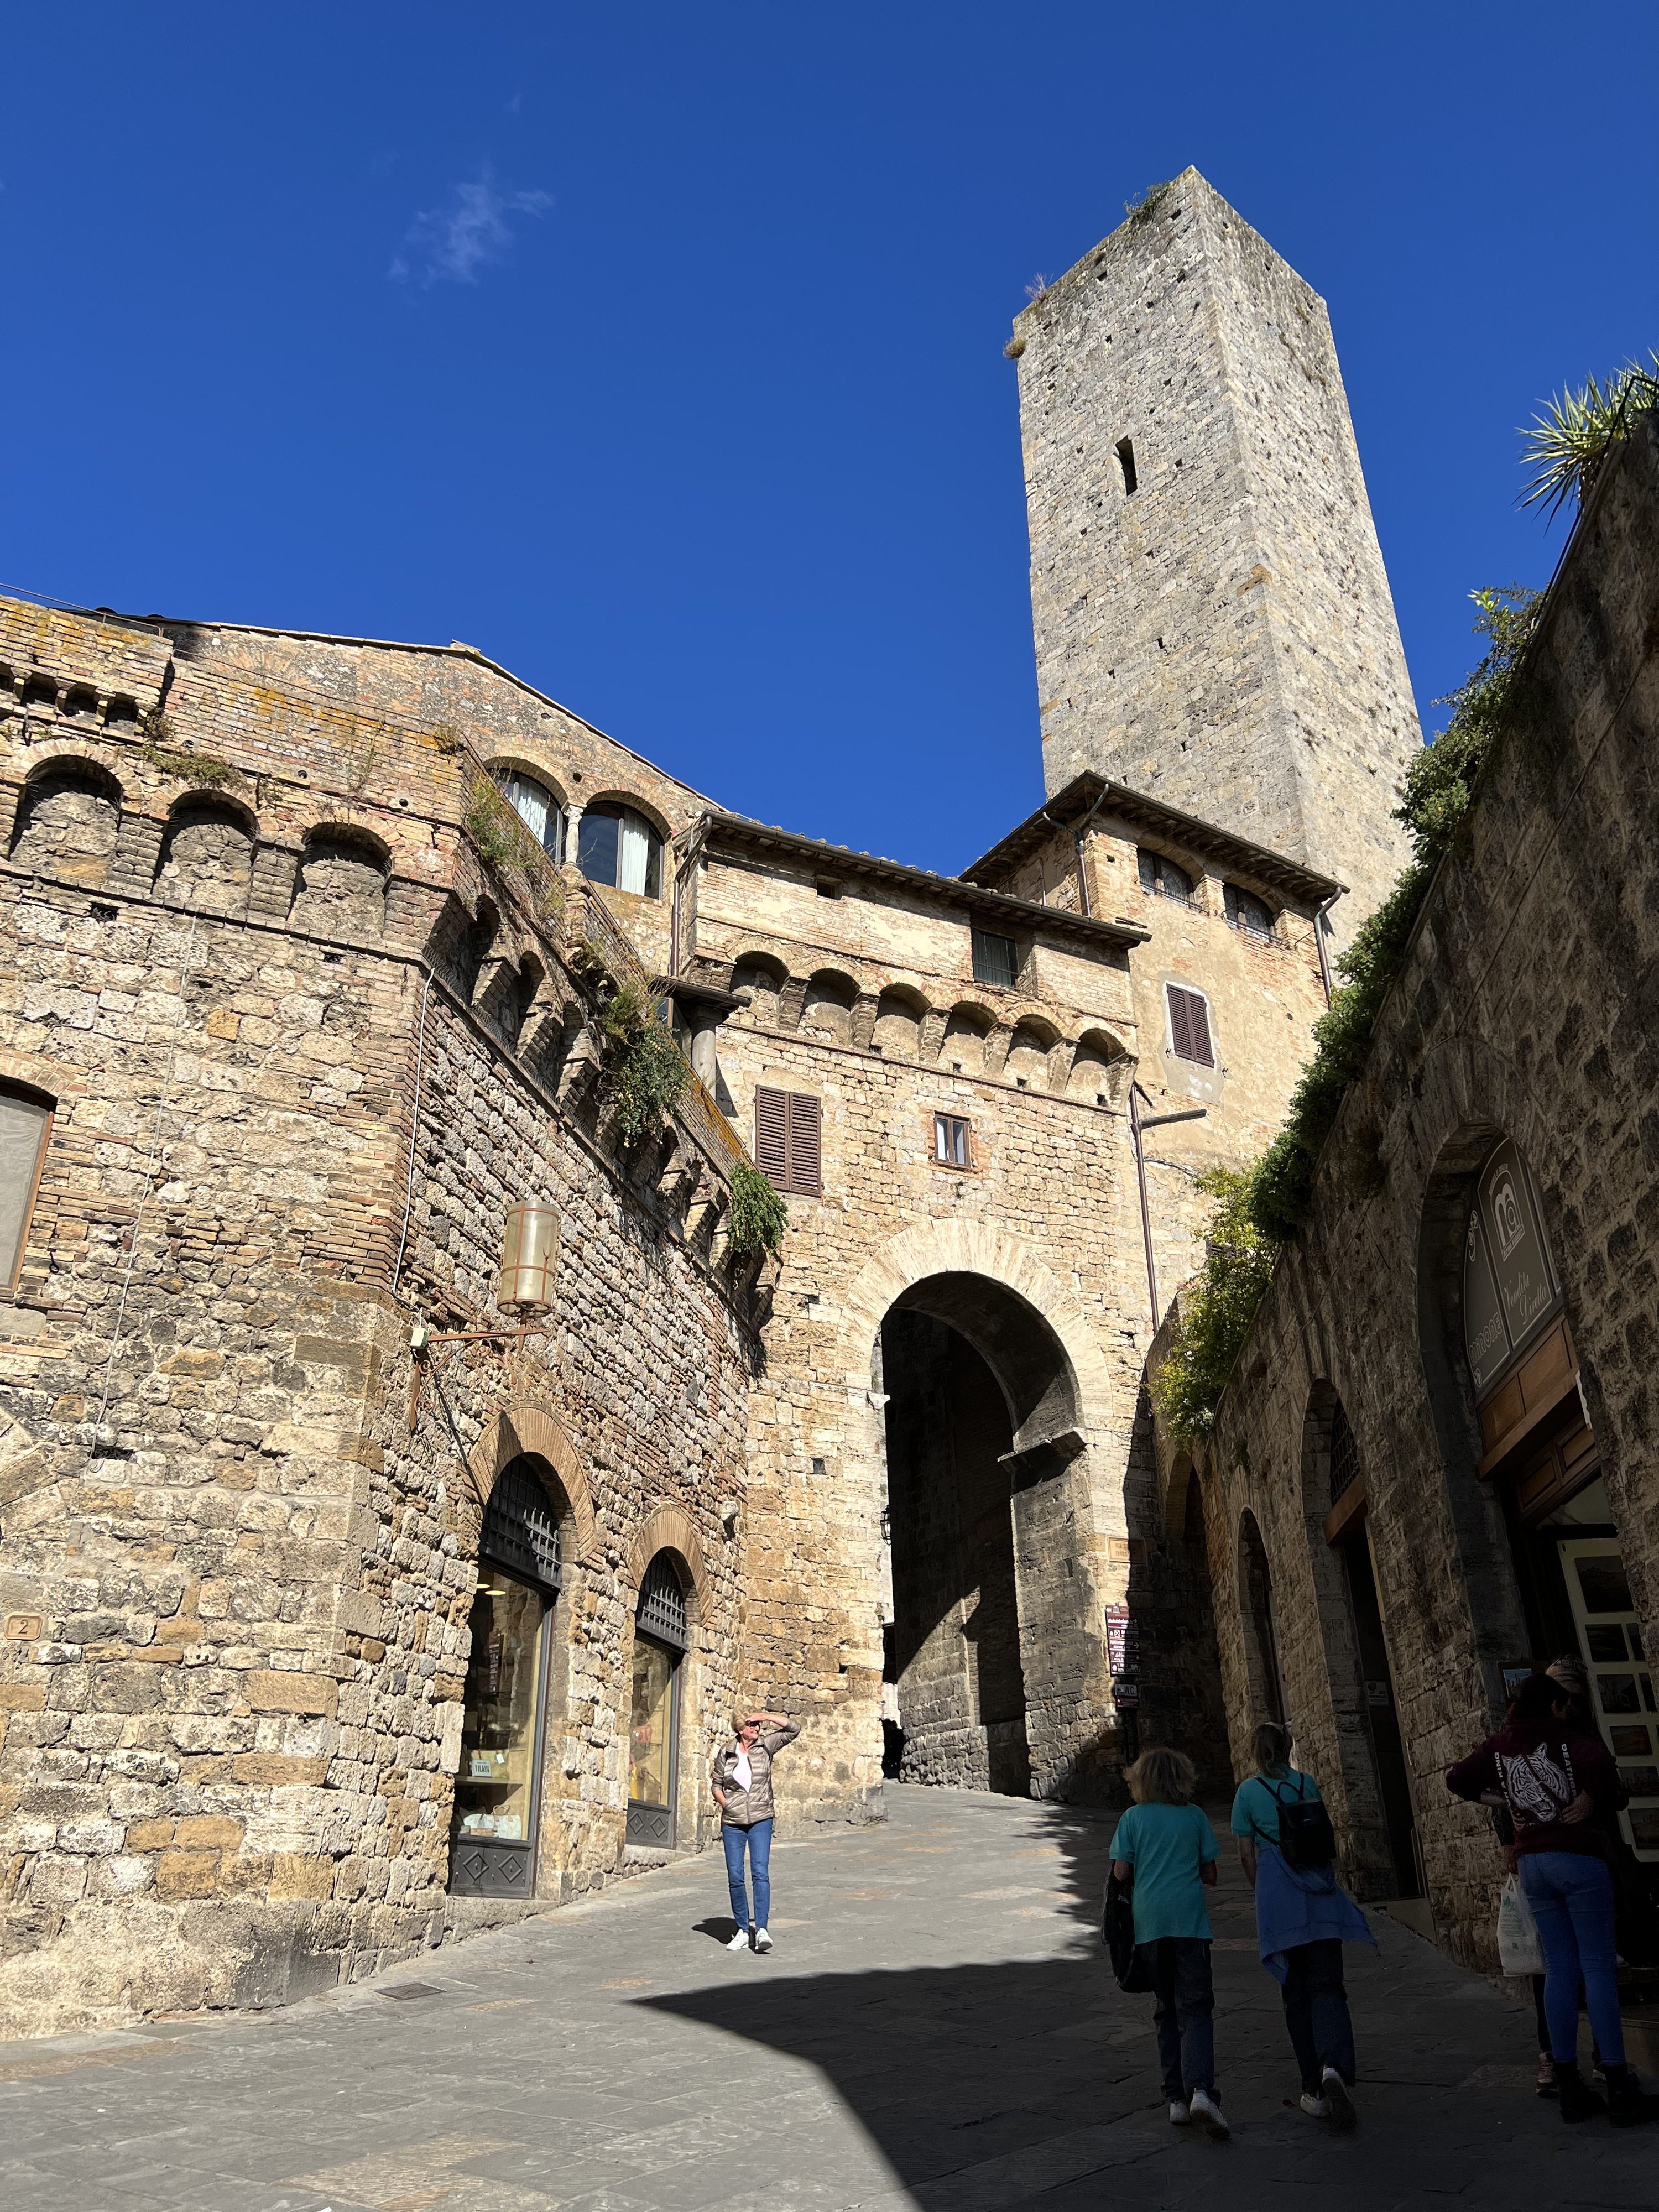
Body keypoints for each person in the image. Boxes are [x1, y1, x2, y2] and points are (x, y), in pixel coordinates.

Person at [1447, 1670, 1658, 2127]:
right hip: (1577, 1858)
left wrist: (1506, 1804)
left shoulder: (1500, 1744)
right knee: (1598, 1966)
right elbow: (1604, 1765)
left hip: (1533, 1864)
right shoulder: (1569, 1739)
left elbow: (1458, 1779)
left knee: (1559, 1967)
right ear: (1555, 1707)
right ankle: (1619, 2082)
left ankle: (1568, 2084)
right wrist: (1585, 1797)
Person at [1232, 1723, 1374, 2131]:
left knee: (1296, 1994)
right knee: (1328, 1985)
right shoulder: (1307, 1783)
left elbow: (1246, 1854)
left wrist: (1263, 1889)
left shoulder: (1247, 1793)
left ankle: (1313, 2087)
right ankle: (1335, 2065)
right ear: (1288, 1747)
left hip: (1280, 1896)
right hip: (1319, 1890)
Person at [1108, 1745, 1229, 2138]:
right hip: (1189, 1922)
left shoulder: (1131, 1819)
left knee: (1165, 2009)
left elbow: (1122, 1872)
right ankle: (1201, 2091)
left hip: (1149, 1925)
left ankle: (1175, 2099)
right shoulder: (1194, 1817)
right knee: (1195, 2008)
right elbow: (1210, 1874)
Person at [712, 1709, 799, 1954]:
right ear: (740, 1729)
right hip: (732, 1823)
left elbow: (794, 1729)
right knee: (736, 1876)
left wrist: (767, 1716)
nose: (756, 1728)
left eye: (758, 1725)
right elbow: (716, 1783)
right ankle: (742, 1930)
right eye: (751, 1725)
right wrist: (726, 1804)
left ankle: (761, 1929)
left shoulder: (766, 1746)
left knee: (760, 1873)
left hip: (761, 1819)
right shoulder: (727, 1752)